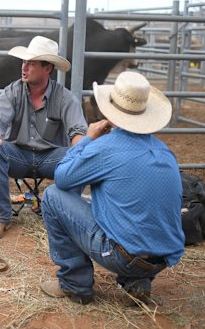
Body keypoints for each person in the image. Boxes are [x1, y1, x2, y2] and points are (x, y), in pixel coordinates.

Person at [39, 71, 185, 305]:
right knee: (132, 213)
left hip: (122, 256)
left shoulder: (105, 147)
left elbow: (62, 178)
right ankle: (137, 282)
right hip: (162, 257)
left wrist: (87, 138)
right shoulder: (164, 152)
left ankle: (74, 284)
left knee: (52, 196)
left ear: (110, 111)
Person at [0, 36, 88, 240]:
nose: (25, 67)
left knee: (80, 156)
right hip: (18, 155)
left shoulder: (65, 97)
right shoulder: (12, 91)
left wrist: (79, 150)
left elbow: (78, 131)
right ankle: (0, 218)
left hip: (52, 158)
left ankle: (65, 214)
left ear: (48, 68)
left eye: (32, 63)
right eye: (24, 62)